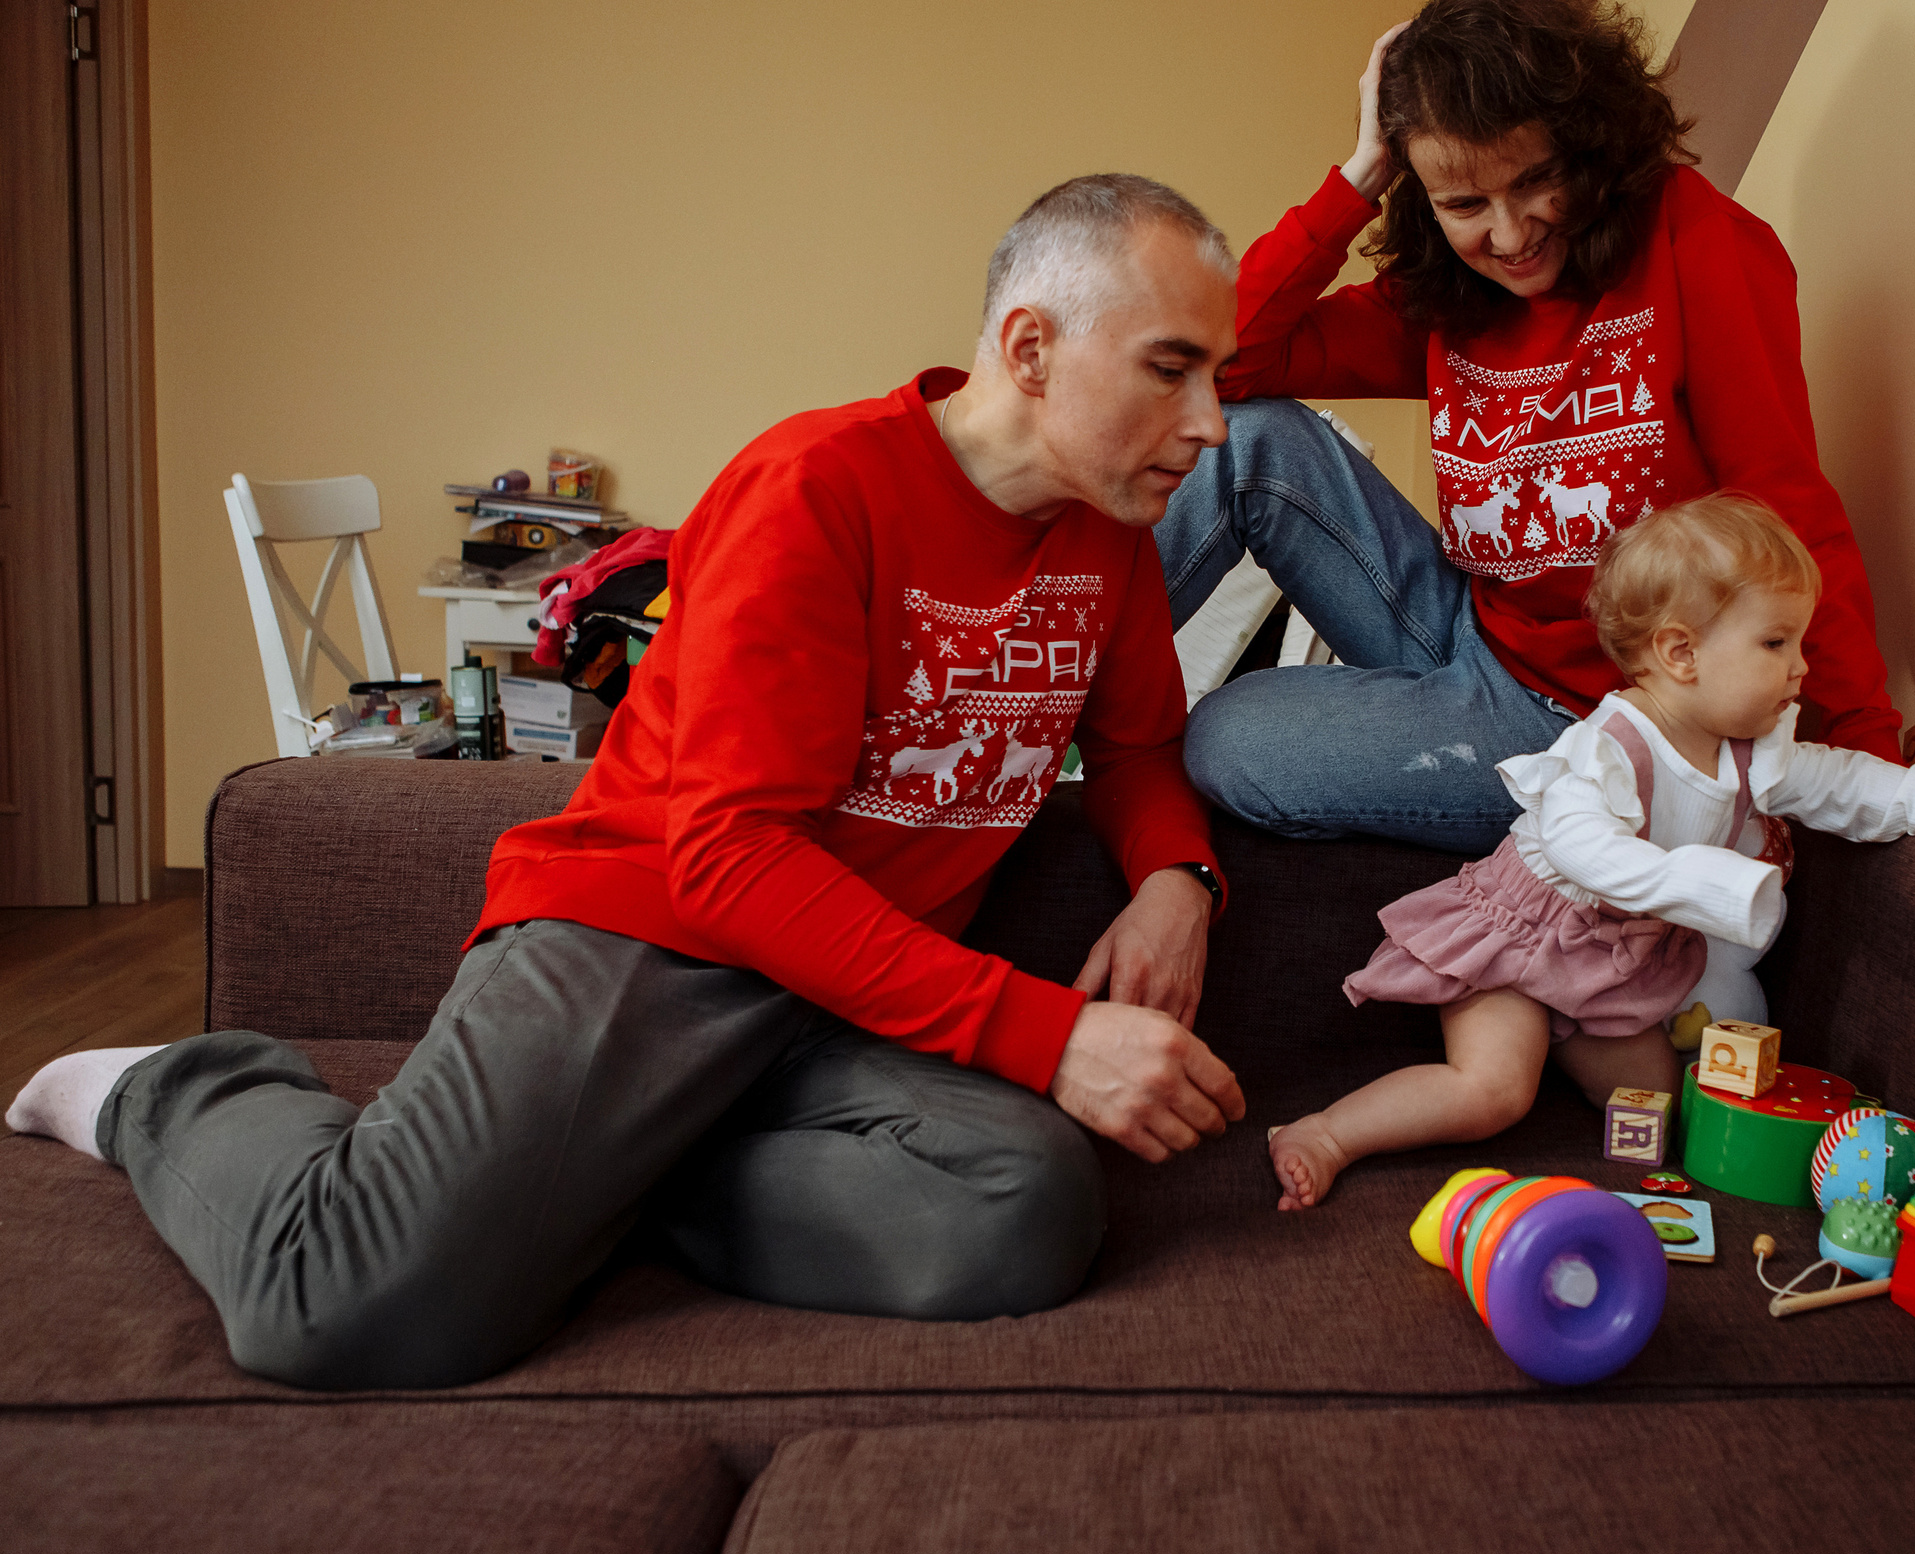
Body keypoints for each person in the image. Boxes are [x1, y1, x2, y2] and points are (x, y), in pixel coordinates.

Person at [5, 174, 1252, 1389]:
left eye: (1215, 376)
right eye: (1170, 367)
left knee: (1022, 1209)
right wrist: (1045, 1035)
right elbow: (728, 862)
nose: (1210, 421)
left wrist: (1175, 880)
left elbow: (1137, 745)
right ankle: (174, 1088)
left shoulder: (1105, 534)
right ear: (1029, 348)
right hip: (650, 941)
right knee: (338, 1312)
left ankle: (574, 1198)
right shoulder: (816, 489)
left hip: (848, 990)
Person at [1156, 0, 1904, 856]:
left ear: (1587, 142)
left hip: (1600, 725)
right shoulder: (1452, 290)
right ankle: (1028, 699)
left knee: (1227, 736)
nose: (1508, 236)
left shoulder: (1699, 246)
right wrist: (1363, 171)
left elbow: (1789, 512)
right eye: (1465, 202)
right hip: (1465, 630)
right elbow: (1224, 361)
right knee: (1247, 443)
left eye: (1536, 181)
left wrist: (1870, 770)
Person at [1265, 494, 1915, 1210]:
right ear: (1680, 652)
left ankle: (1572, 1044)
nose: (1801, 666)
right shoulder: (1604, 747)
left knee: (1657, 1105)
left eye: (1797, 641)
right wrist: (1701, 883)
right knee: (1494, 1090)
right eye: (1775, 642)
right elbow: (1584, 852)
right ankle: (1328, 1133)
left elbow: (1842, 782)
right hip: (1522, 940)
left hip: (1617, 964)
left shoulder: (1750, 750)